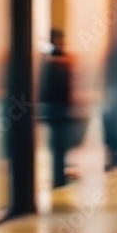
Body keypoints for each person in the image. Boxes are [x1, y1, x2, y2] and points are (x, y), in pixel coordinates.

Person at [38, 29, 76, 188]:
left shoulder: (50, 59)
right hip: (57, 106)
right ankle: (58, 177)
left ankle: (58, 176)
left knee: (58, 146)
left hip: (57, 106)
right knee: (58, 146)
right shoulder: (56, 59)